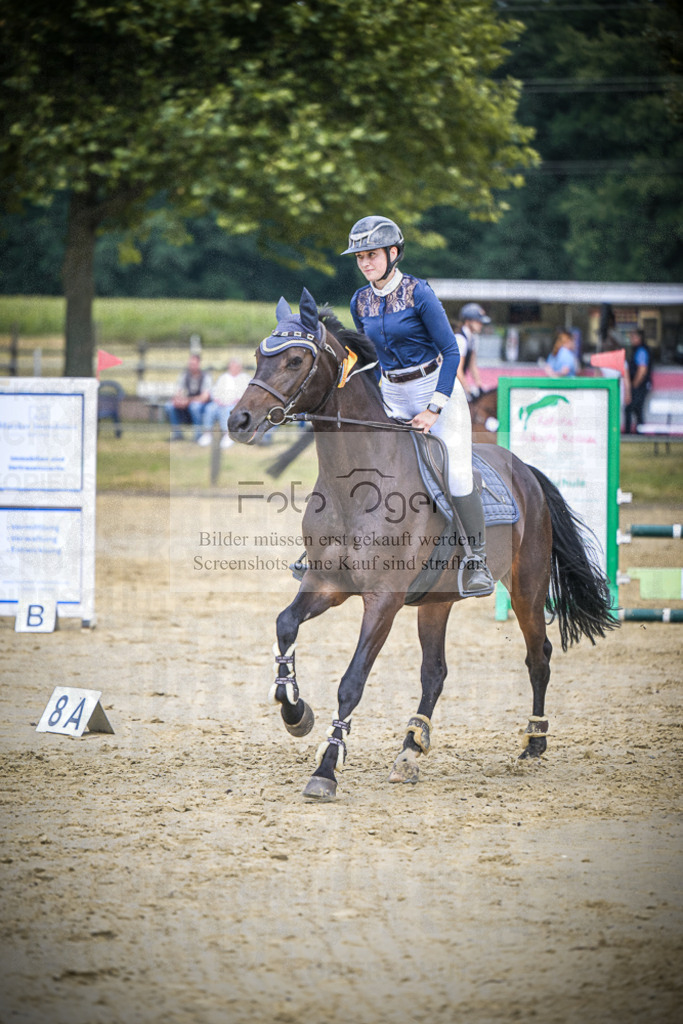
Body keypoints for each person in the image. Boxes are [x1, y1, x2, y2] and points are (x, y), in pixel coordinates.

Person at [341, 214, 494, 596]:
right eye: (360, 257)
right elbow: (370, 358)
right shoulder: (359, 301)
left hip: (435, 388)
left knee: (457, 475)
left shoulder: (418, 293)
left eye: (372, 255)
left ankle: (477, 561)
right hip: (392, 394)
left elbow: (451, 351)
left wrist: (433, 409)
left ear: (393, 253)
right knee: (363, 465)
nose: (365, 263)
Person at [197, 359, 250, 449]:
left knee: (227, 410)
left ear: (239, 367)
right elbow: (215, 391)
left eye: (235, 367)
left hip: (236, 404)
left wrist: (234, 401)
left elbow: (246, 394)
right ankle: (207, 434)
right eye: (231, 367)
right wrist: (217, 399)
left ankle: (227, 435)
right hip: (220, 403)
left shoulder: (245, 378)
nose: (233, 368)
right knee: (210, 408)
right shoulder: (224, 377)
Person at [165, 353, 212, 441]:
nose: (192, 366)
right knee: (169, 405)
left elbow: (204, 397)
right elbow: (178, 392)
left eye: (194, 364)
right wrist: (178, 400)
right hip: (187, 403)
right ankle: (177, 434)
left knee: (195, 406)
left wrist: (188, 401)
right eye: (190, 364)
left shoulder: (205, 376)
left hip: (201, 405)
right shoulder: (184, 375)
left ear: (199, 364)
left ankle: (198, 435)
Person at [454, 302, 490, 399]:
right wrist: (468, 390)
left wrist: (479, 386)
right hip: (449, 384)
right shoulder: (460, 339)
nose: (481, 324)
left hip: (458, 383)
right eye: (478, 321)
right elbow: (457, 370)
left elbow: (472, 365)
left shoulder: (473, 338)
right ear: (468, 321)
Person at [624, 329, 652, 434]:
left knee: (630, 409)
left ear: (639, 338)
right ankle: (640, 432)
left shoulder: (641, 351)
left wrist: (634, 385)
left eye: (633, 337)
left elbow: (642, 370)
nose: (631, 340)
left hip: (640, 385)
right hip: (641, 385)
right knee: (637, 410)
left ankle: (629, 433)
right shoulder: (638, 350)